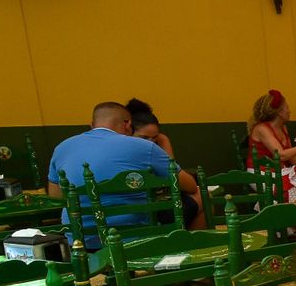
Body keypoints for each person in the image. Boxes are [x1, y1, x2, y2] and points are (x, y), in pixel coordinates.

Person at [47, 101, 202, 246]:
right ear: (128, 123)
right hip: (135, 238)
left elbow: (56, 197)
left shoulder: (61, 148)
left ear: (92, 125)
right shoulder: (144, 147)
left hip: (81, 240)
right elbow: (189, 185)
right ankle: (191, 251)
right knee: (200, 194)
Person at [123, 97, 204, 228]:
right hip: (147, 216)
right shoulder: (149, 152)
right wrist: (164, 140)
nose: (150, 143)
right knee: (203, 195)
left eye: (154, 138)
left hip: (134, 213)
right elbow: (186, 184)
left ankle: (188, 238)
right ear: (128, 131)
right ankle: (192, 240)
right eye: (144, 138)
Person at [247, 90, 296, 207]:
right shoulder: (262, 129)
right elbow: (281, 155)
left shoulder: (283, 127)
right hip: (261, 173)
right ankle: (292, 215)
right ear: (280, 112)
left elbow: (291, 156)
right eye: (287, 108)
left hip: (279, 171)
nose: (289, 111)